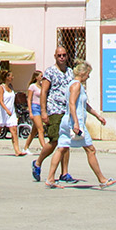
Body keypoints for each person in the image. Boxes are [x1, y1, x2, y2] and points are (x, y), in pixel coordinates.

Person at [47, 61, 114, 188]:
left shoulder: (74, 85)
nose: (88, 77)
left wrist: (97, 115)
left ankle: (50, 178)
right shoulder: (76, 85)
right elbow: (72, 104)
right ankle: (102, 180)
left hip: (68, 121)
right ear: (83, 73)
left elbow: (84, 105)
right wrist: (76, 123)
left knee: (61, 148)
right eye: (88, 74)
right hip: (74, 122)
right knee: (90, 149)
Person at [33, 46, 76, 183]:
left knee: (66, 142)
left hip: (66, 110)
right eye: (59, 55)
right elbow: (44, 92)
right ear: (55, 56)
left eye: (64, 55)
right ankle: (38, 162)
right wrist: (43, 112)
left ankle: (64, 173)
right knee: (55, 141)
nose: (62, 57)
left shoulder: (70, 72)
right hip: (54, 110)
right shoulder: (50, 72)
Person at [0, 70, 23, 155]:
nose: (12, 78)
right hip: (2, 111)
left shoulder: (11, 87)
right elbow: (1, 100)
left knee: (14, 130)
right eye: (11, 76)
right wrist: (6, 110)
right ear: (6, 77)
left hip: (11, 111)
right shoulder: (1, 87)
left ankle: (17, 150)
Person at [19, 71, 44, 155]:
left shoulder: (41, 87)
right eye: (41, 76)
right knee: (41, 129)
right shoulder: (32, 86)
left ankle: (25, 147)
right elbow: (29, 99)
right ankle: (44, 147)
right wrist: (30, 111)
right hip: (35, 107)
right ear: (36, 77)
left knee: (34, 131)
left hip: (41, 108)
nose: (42, 77)